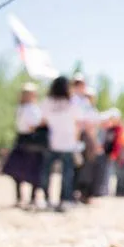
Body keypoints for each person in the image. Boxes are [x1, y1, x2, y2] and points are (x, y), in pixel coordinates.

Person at [2, 83, 48, 208]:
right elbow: (33, 125)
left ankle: (20, 197)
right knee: (34, 170)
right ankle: (31, 198)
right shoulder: (31, 109)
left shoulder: (21, 108)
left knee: (19, 170)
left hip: (21, 139)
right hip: (32, 140)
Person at [42, 76, 84, 212]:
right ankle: (64, 200)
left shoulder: (48, 102)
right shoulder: (72, 102)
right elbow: (78, 123)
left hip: (51, 142)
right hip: (68, 143)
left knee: (46, 173)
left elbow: (43, 120)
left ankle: (47, 199)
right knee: (66, 174)